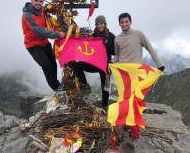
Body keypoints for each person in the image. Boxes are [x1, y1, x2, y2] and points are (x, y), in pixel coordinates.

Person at [114, 12, 165, 141]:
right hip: (124, 74)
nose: (124, 24)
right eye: (122, 22)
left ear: (130, 22)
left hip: (136, 74)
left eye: (126, 21)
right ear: (119, 24)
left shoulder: (139, 34)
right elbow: (117, 56)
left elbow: (150, 48)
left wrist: (159, 64)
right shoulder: (117, 39)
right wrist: (113, 68)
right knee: (124, 101)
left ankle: (135, 132)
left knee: (135, 101)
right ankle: (127, 124)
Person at [21, 0, 65, 91]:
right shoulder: (27, 15)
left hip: (44, 43)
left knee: (53, 63)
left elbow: (52, 17)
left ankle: (57, 85)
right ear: (31, 0)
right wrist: (57, 34)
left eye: (40, 1)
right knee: (46, 64)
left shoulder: (43, 10)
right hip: (33, 45)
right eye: (36, 0)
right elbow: (38, 31)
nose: (38, 3)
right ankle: (57, 88)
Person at [70, 15, 115, 109]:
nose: (100, 26)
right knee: (77, 65)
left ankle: (104, 106)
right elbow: (84, 46)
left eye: (101, 23)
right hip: (94, 63)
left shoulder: (111, 36)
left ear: (105, 24)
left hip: (106, 65)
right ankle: (85, 86)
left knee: (105, 86)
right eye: (98, 24)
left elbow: (115, 51)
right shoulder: (92, 35)